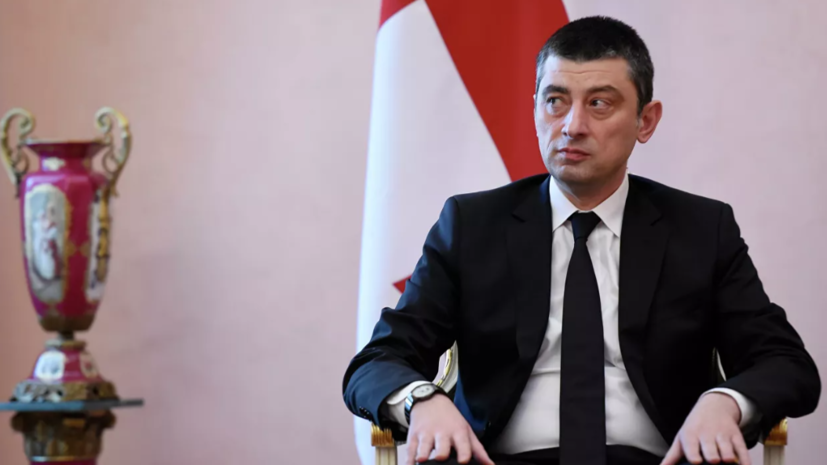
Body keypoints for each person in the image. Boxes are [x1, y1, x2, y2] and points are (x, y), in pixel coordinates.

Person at [343, 16, 820, 465]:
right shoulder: (472, 225)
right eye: (555, 101)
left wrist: (725, 401)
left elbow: (785, 363)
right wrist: (422, 400)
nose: (571, 126)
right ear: (535, 109)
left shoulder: (700, 229)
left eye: (599, 103)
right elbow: (377, 362)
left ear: (646, 120)